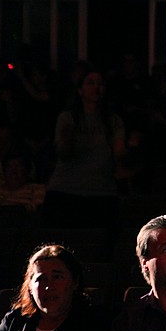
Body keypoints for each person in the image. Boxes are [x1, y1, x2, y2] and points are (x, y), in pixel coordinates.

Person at [0, 244, 108, 331]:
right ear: (30, 287)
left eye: (57, 277)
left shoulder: (91, 323)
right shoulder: (15, 319)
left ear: (74, 282)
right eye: (41, 278)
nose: (49, 286)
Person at [40, 70, 125, 238]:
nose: (96, 87)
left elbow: (119, 155)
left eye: (100, 83)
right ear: (79, 90)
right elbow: (63, 154)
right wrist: (67, 139)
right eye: (90, 83)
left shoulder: (113, 121)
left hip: (101, 191)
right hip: (67, 190)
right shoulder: (68, 118)